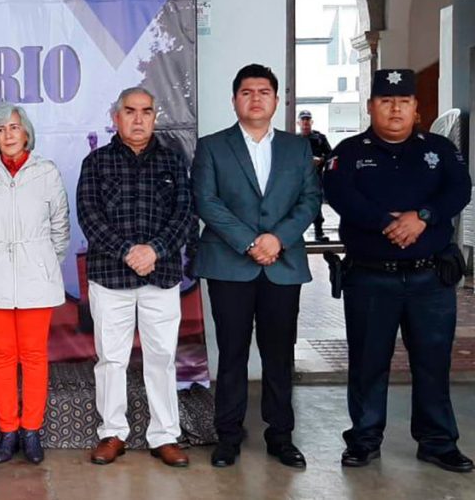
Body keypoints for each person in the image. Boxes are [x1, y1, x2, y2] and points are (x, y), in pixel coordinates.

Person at [324, 69, 473, 473]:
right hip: (371, 277)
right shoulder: (349, 151)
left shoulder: (440, 149)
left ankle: (438, 442)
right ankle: (365, 439)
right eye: (386, 101)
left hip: (430, 279)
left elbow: (460, 189)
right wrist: (387, 222)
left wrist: (422, 217)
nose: (395, 109)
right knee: (368, 362)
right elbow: (339, 194)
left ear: (416, 110)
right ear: (371, 106)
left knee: (432, 362)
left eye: (403, 102)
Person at [191, 64, 320, 469]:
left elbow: (311, 200)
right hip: (230, 264)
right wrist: (249, 242)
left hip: (282, 264)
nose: (256, 98)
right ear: (234, 100)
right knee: (231, 353)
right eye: (247, 92)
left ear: (276, 100)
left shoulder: (297, 148)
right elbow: (206, 202)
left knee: (279, 354)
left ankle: (280, 436)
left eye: (264, 91)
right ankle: (227, 435)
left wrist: (277, 239)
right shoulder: (212, 146)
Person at [76, 87, 195, 467]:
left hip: (161, 277)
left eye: (146, 111)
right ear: (116, 117)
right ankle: (112, 433)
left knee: (161, 357)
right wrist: (129, 251)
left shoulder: (174, 162)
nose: (139, 119)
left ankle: (164, 435)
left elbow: (185, 215)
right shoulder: (96, 162)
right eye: (130, 111)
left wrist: (154, 250)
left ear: (155, 116)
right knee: (111, 358)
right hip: (110, 276)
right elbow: (89, 217)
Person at [0, 103, 70, 464]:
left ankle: (31, 430)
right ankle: (7, 431)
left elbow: (60, 227)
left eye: (14, 127)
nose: (8, 134)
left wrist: (41, 262)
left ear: (27, 133)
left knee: (35, 356)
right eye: (0, 129)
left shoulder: (47, 173)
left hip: (35, 279)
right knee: (3, 357)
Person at [298, 110, 332, 241]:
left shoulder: (319, 138)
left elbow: (331, 155)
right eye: (303, 120)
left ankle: (319, 233)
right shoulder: (295, 139)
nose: (305, 123)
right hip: (298, 180)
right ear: (298, 122)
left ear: (311, 122)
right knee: (297, 206)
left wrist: (321, 160)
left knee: (316, 205)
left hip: (315, 178)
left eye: (307, 120)